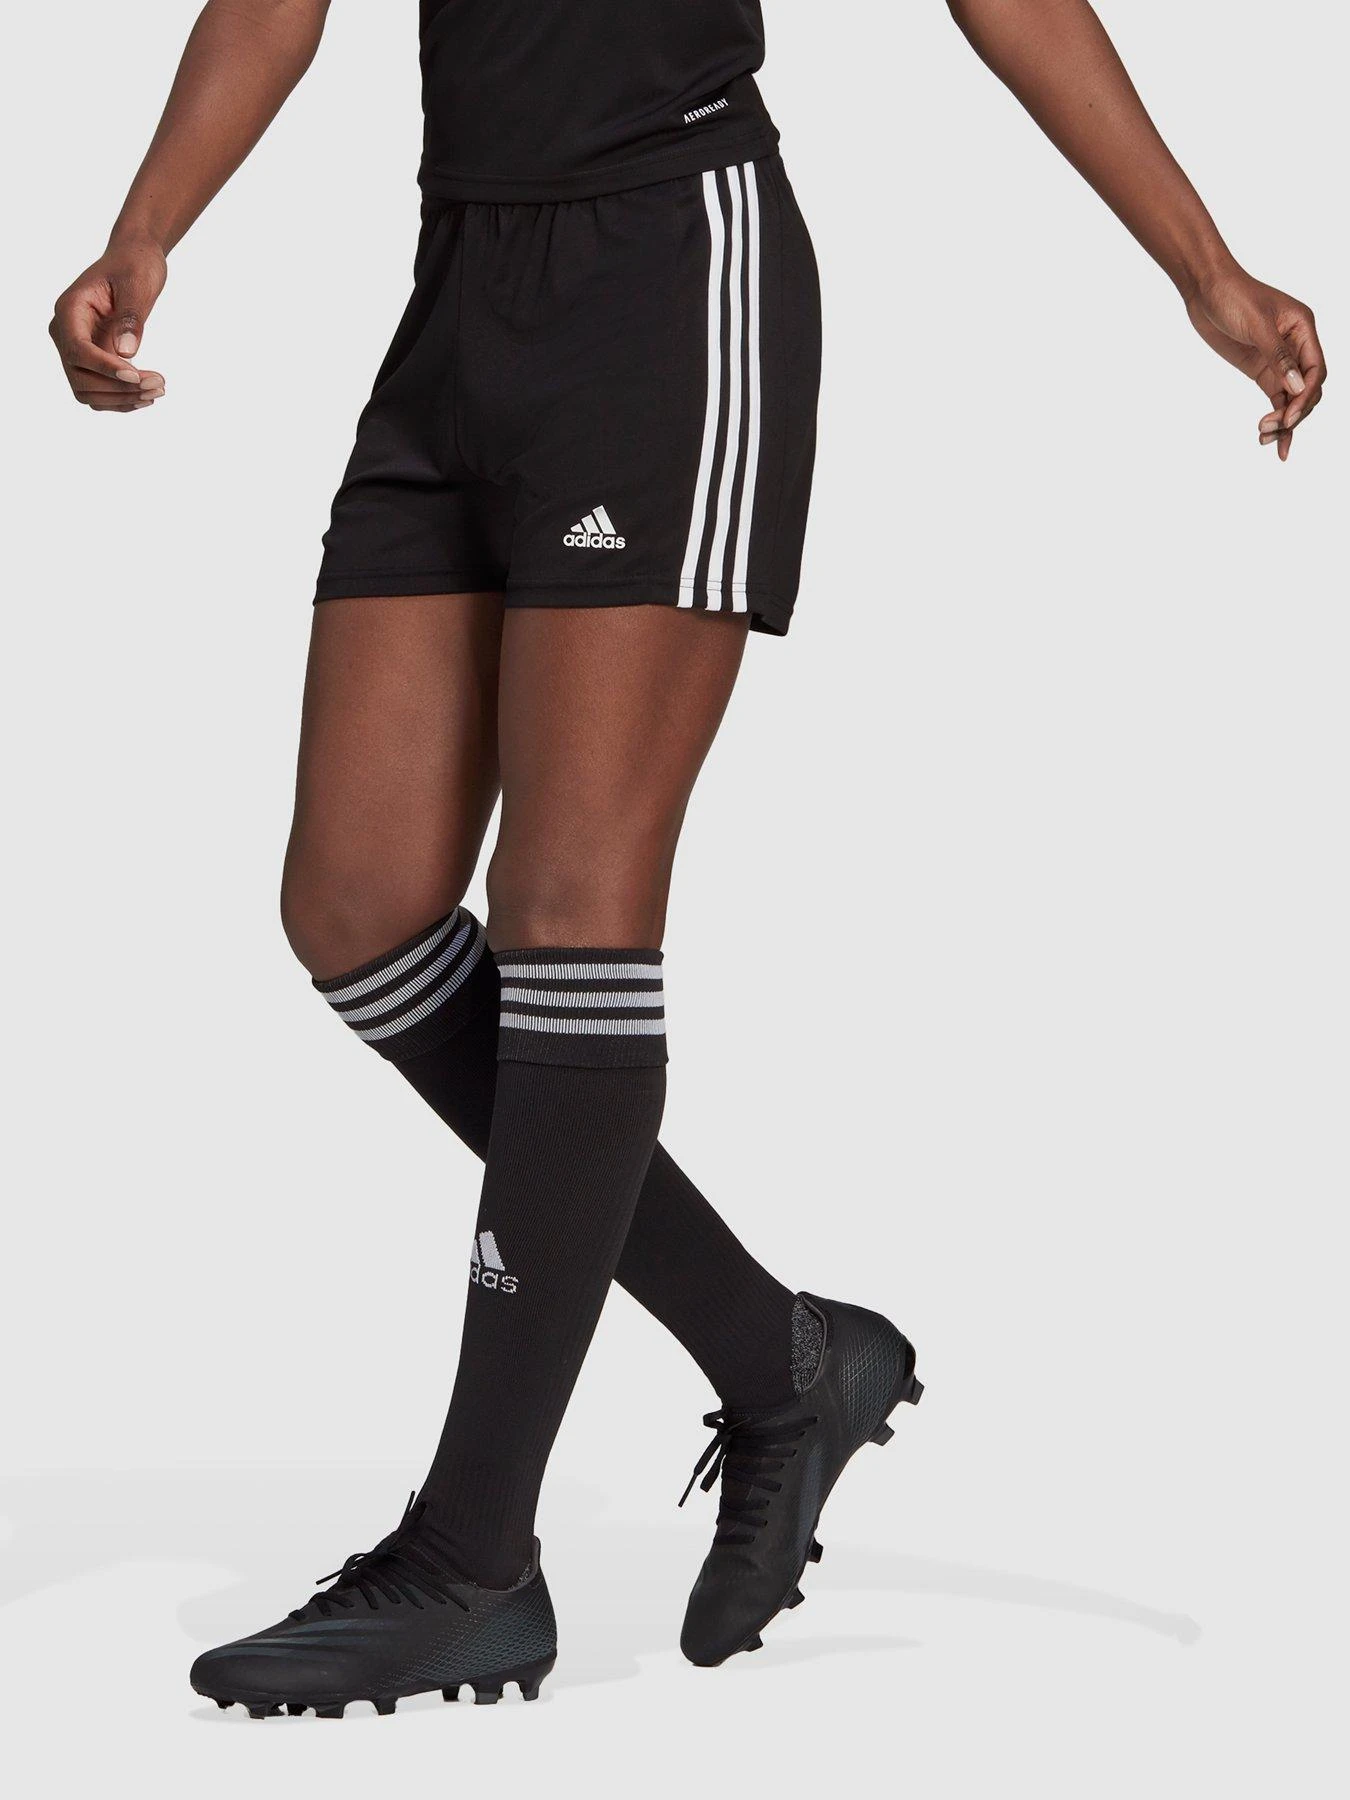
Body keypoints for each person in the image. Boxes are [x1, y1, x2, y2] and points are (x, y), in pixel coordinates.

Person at [51, 0, 1325, 1718]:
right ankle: (783, 1359)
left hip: (668, 280)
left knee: (569, 907)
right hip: (459, 293)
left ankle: (471, 1556)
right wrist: (146, 233)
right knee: (352, 910)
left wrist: (1202, 270)